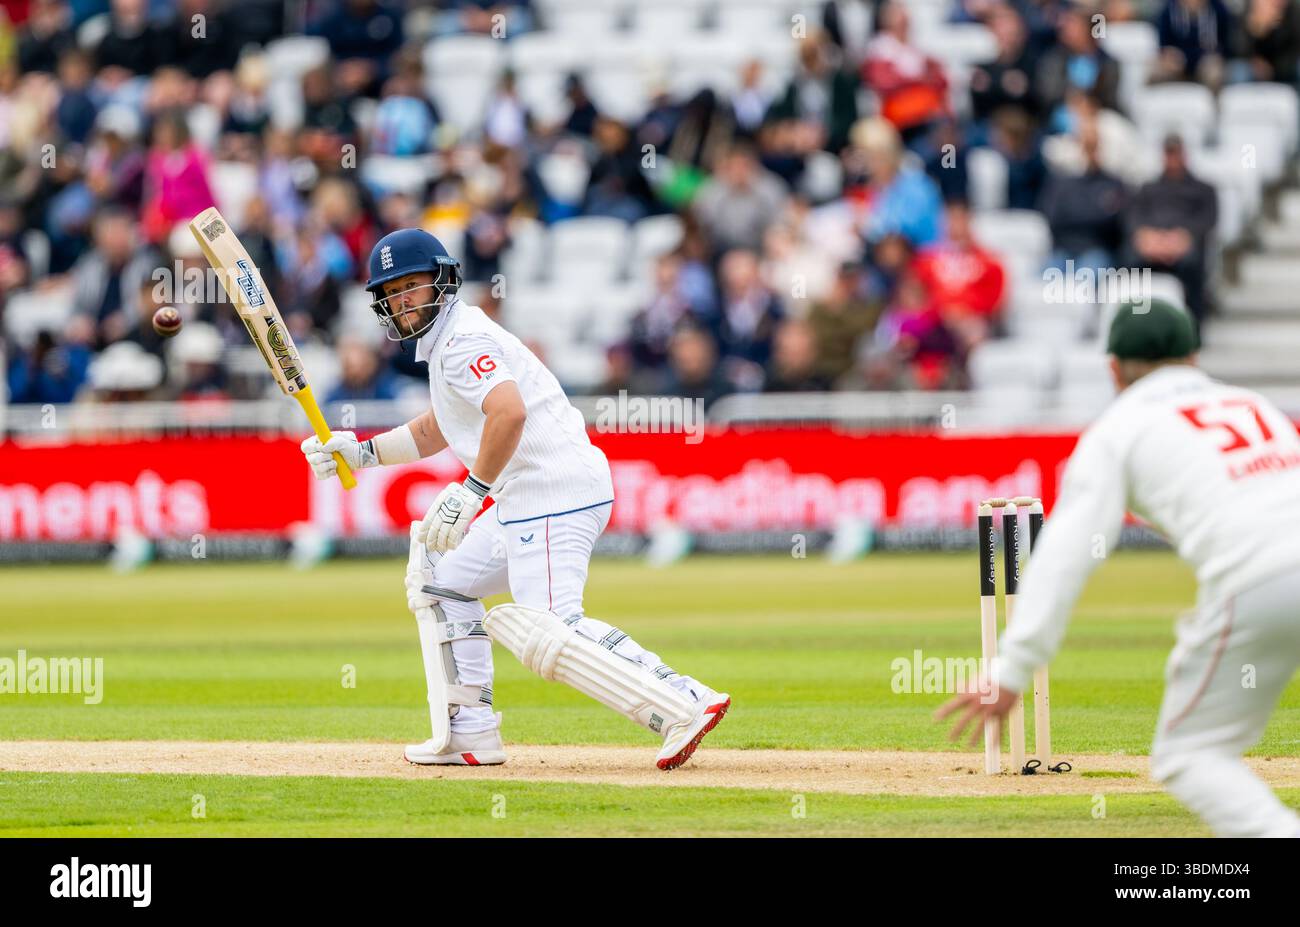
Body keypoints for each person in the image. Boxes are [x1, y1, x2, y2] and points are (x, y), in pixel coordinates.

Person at [299, 229, 730, 769]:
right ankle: (471, 733)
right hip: (532, 494)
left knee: (550, 626)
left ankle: (683, 702)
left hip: (551, 491)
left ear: (443, 280)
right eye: (392, 292)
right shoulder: (447, 344)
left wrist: (470, 490)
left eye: (413, 285)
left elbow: (509, 413)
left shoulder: (462, 342)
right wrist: (361, 454)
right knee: (442, 579)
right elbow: (441, 426)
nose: (403, 300)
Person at [938, 299, 1300, 838]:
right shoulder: (1255, 405)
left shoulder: (1118, 430)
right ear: (1194, 356)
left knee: (1189, 755)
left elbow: (1063, 556)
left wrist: (1012, 669)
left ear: (1112, 368)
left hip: (1260, 582)